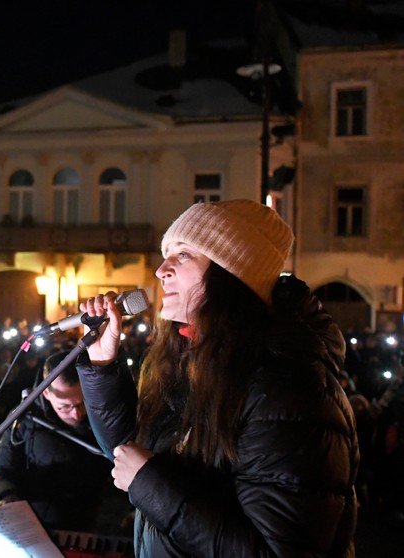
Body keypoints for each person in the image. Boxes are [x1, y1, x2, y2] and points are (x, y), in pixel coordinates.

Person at [76, 199, 358, 556]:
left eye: (183, 255)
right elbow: (129, 453)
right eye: (166, 254)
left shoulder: (286, 388)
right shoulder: (195, 359)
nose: (162, 270)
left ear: (231, 275)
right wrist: (102, 366)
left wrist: (152, 486)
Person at [0, 351, 120, 532]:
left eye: (82, 402)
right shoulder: (25, 418)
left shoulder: (107, 414)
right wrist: (6, 495)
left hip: (91, 524)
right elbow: (1, 471)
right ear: (46, 393)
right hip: (36, 525)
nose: (76, 413)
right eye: (65, 406)